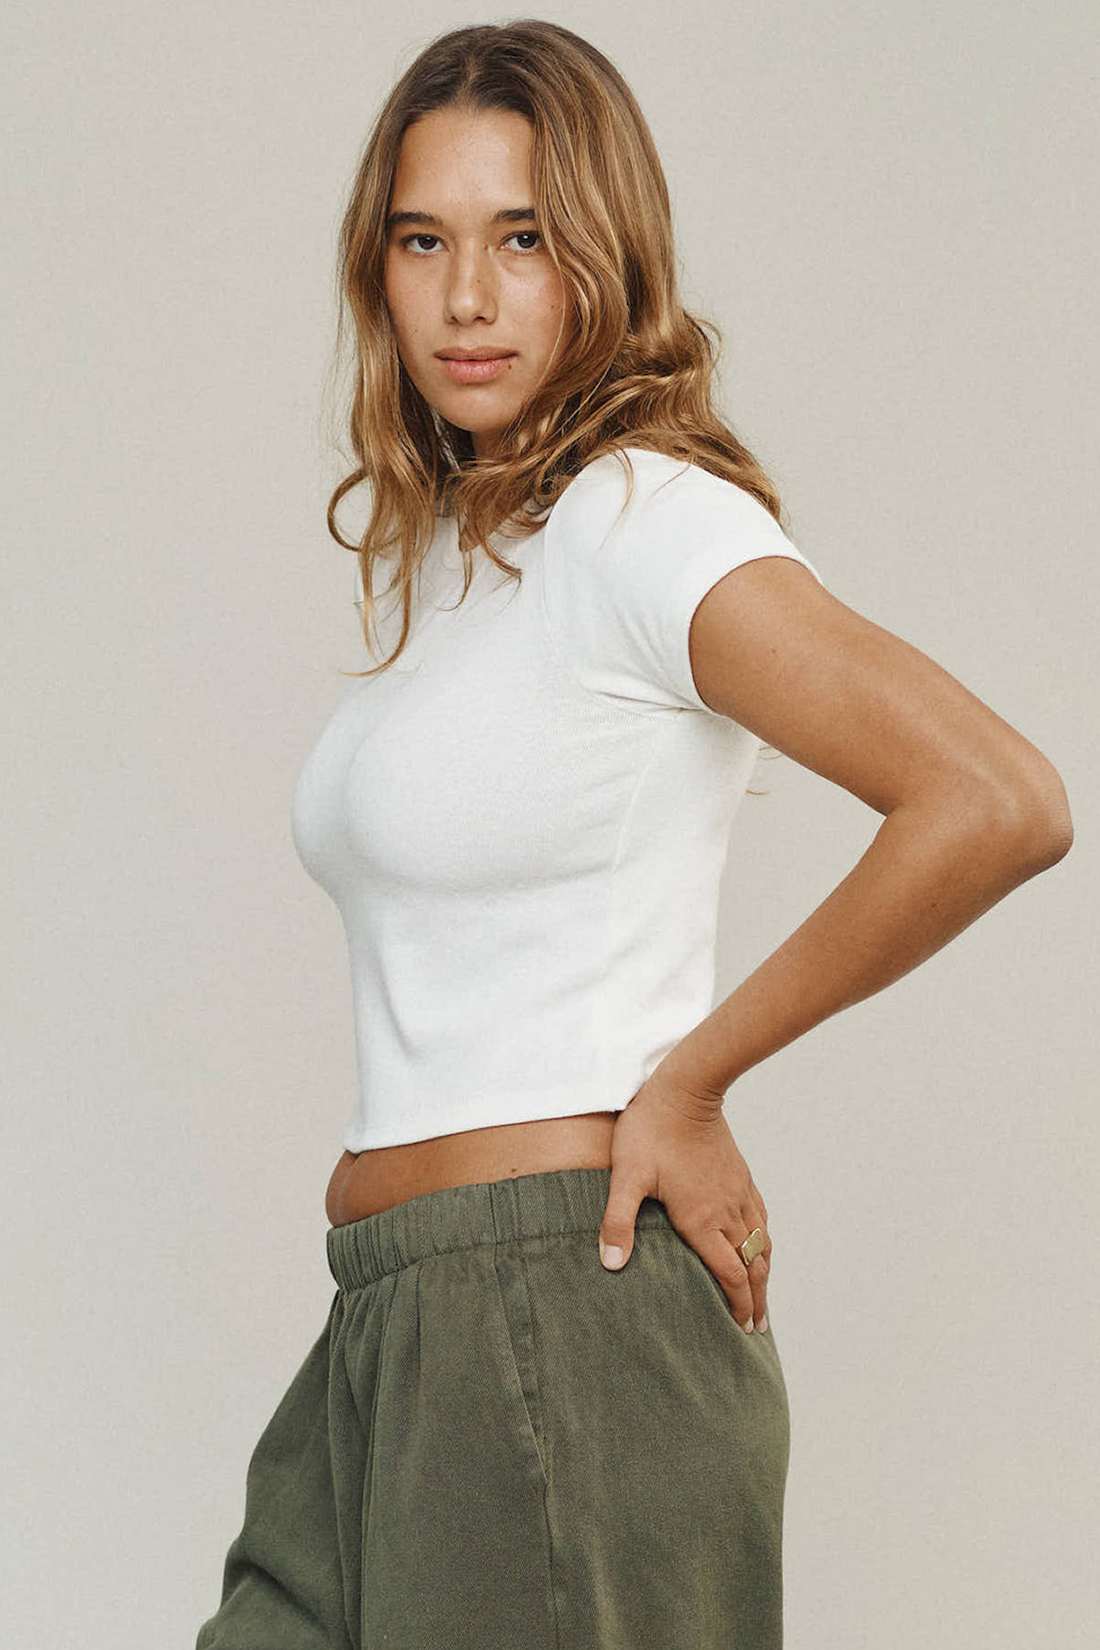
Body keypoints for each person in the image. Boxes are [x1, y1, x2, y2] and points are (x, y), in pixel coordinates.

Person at [193, 20, 1073, 1650]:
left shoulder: (641, 521)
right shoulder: (463, 558)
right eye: (423, 240)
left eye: (524, 238)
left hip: (562, 1316)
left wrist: (691, 1080)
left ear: (604, 254)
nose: (468, 295)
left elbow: (997, 798)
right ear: (375, 269)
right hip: (393, 1321)